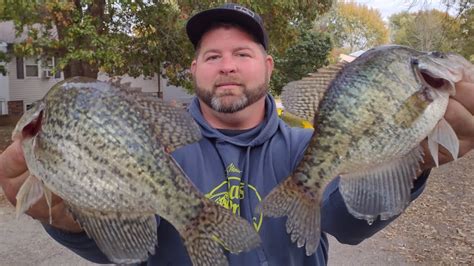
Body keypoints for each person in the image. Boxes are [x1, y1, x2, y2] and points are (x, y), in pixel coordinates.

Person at [1, 3, 474, 265]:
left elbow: (344, 224)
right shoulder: (157, 145)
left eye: (243, 53)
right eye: (212, 56)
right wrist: (68, 219)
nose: (227, 65)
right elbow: (125, 247)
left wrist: (412, 160)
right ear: (193, 70)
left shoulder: (306, 145)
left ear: (268, 65)